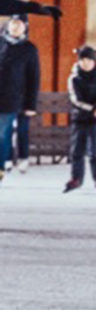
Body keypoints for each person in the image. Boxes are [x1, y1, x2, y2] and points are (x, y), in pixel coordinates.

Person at [64, 45, 96, 194]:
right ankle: (76, 178)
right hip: (80, 119)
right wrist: (93, 110)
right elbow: (76, 100)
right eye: (83, 60)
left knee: (95, 151)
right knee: (77, 150)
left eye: (89, 60)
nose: (86, 63)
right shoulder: (74, 78)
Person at [0, 14, 40, 184]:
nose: (15, 27)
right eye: (13, 23)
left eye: (20, 24)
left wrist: (31, 104)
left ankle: (6, 164)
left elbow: (34, 78)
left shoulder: (29, 49)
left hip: (16, 98)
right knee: (3, 133)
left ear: (25, 27)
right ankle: (4, 162)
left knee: (7, 132)